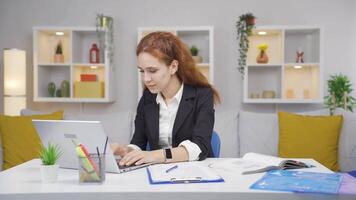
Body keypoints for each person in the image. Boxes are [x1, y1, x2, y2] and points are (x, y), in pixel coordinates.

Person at [111, 31, 220, 166]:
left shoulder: (202, 95)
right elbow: (139, 144)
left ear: (173, 67)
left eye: (152, 70)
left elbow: (199, 147)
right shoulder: (148, 98)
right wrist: (124, 150)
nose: (146, 79)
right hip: (159, 174)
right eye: (142, 71)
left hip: (196, 173)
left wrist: (155, 155)